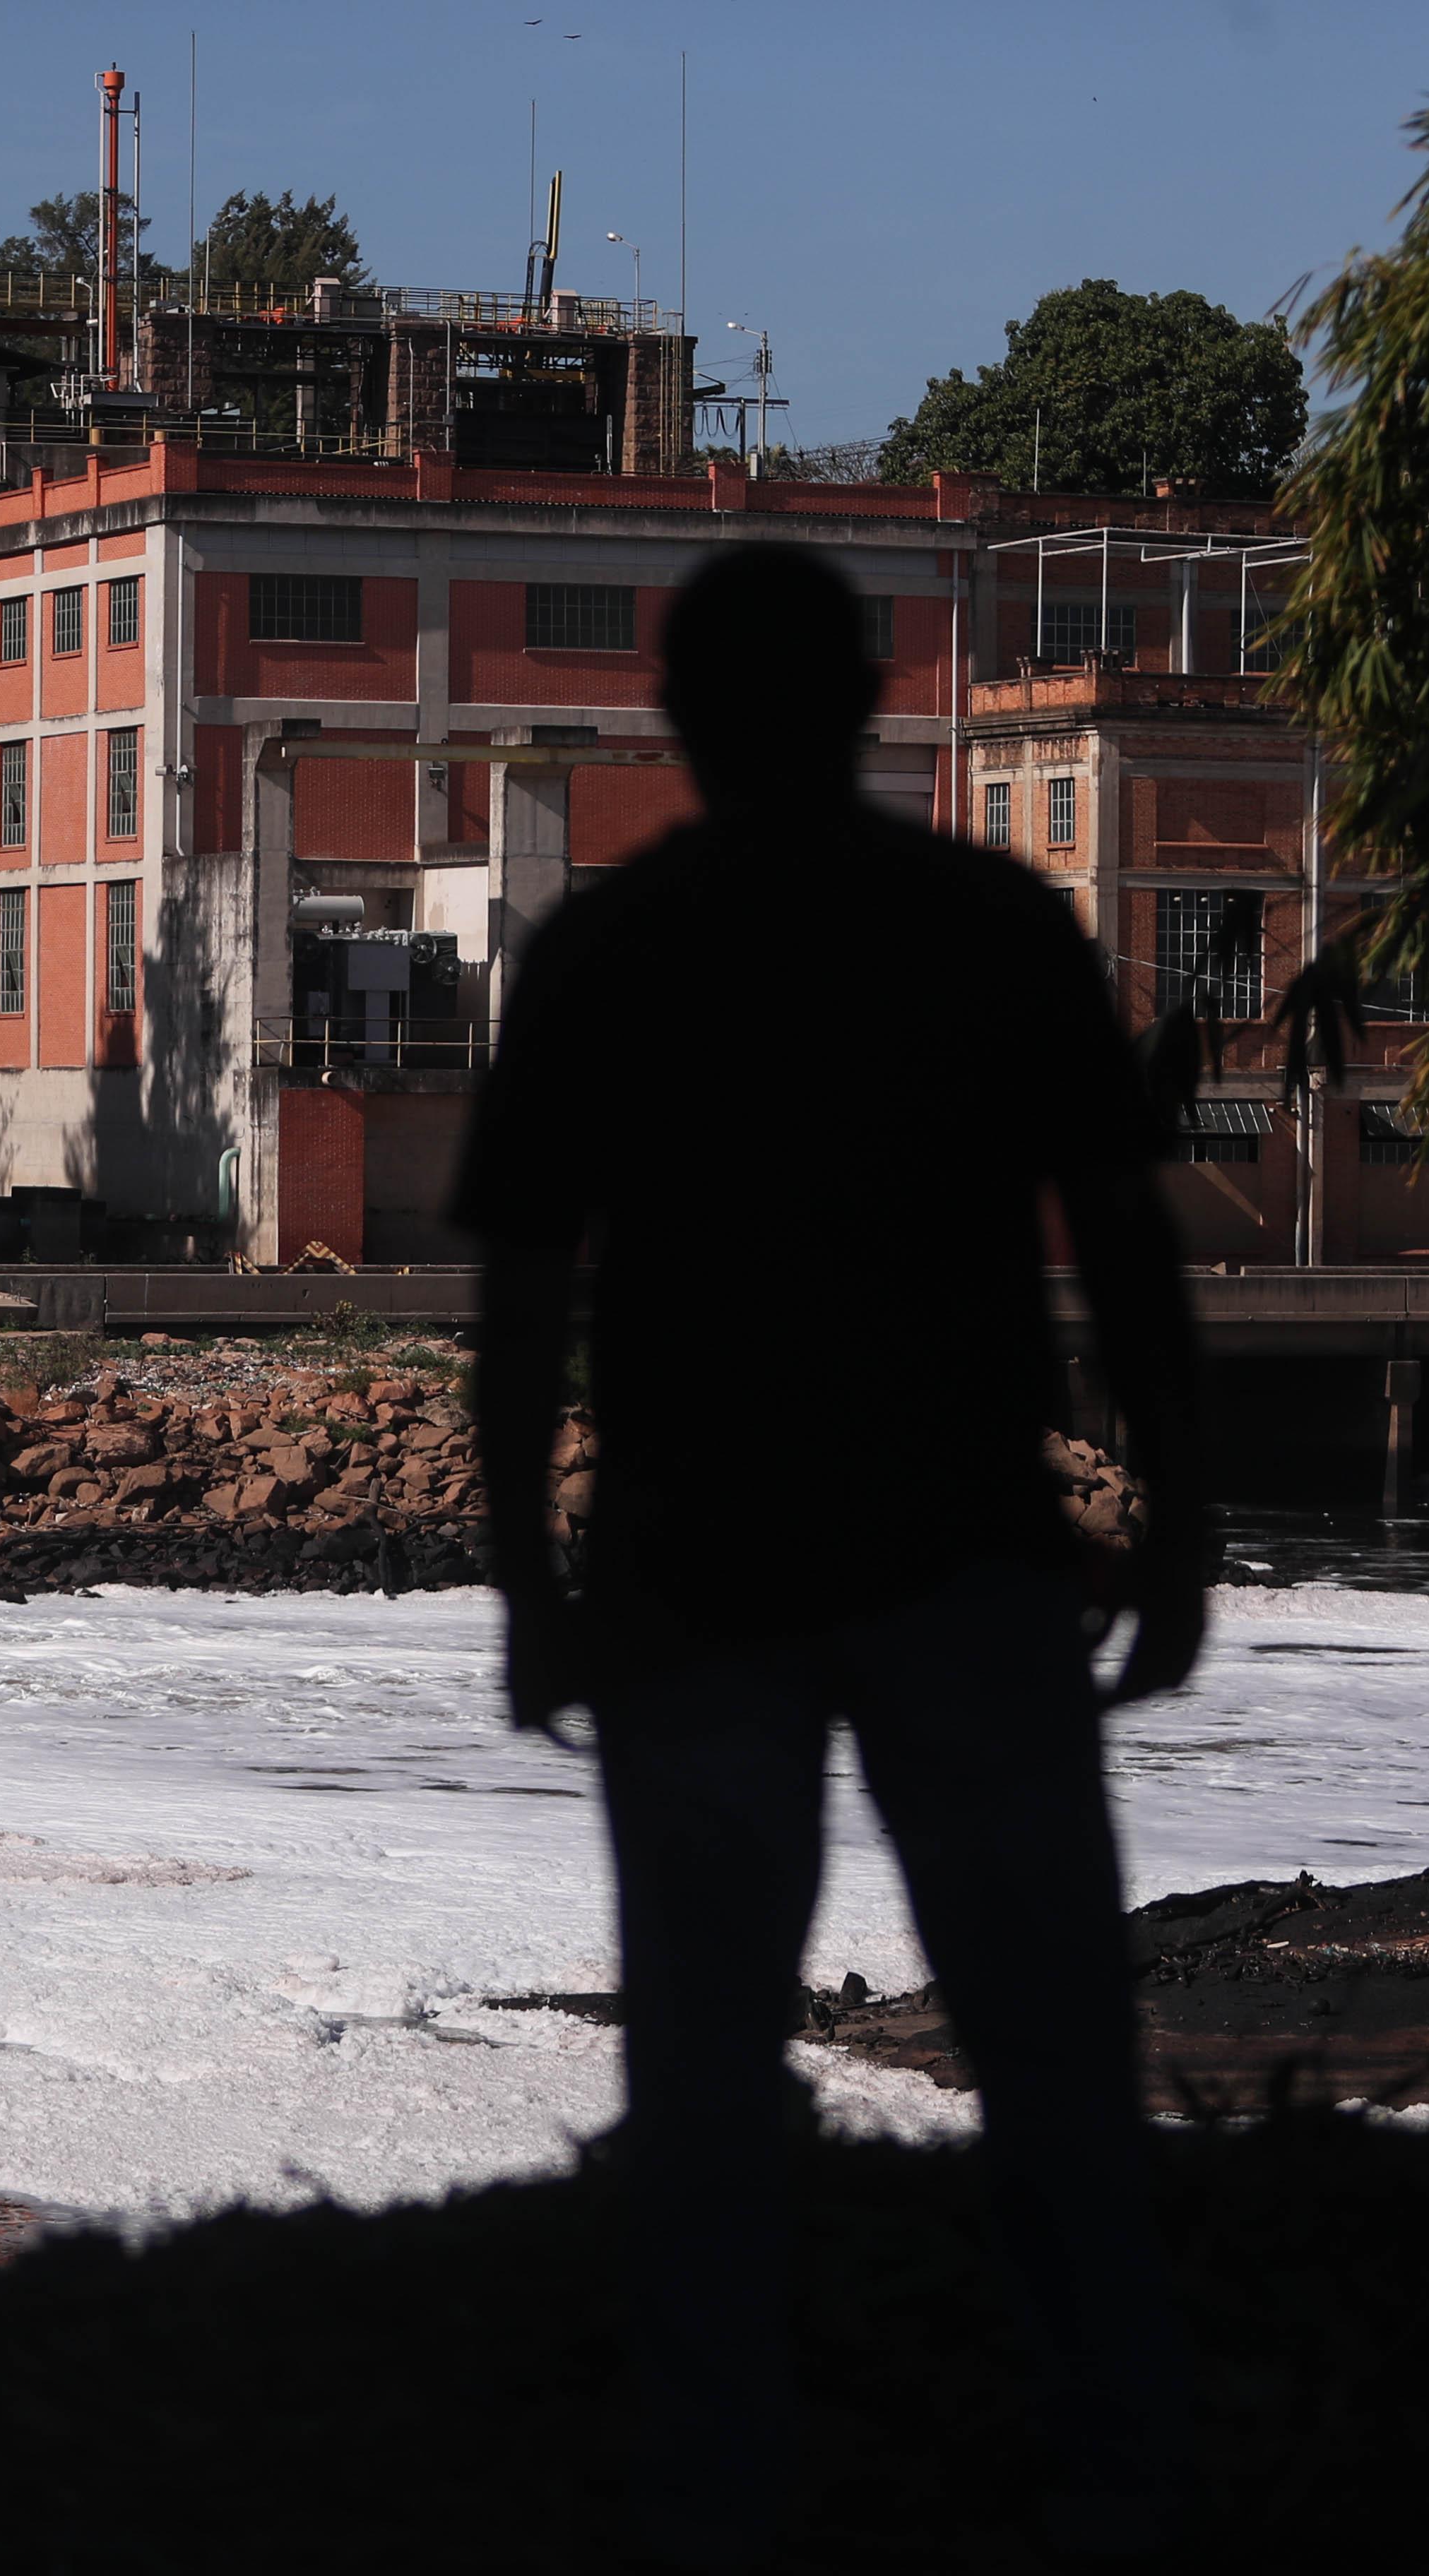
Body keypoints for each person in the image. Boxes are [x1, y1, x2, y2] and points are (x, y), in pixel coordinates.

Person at [455, 542, 1211, 2568]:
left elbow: (525, 1301)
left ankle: (718, 2481)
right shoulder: (989, 923)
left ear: (677, 721)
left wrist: (532, 1582)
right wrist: (1189, 1523)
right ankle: (1110, 2454)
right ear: (872, 699)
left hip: (699, 1576)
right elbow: (1123, 1240)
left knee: (707, 2054)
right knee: (1050, 2037)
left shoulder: (614, 954)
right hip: (962, 1549)